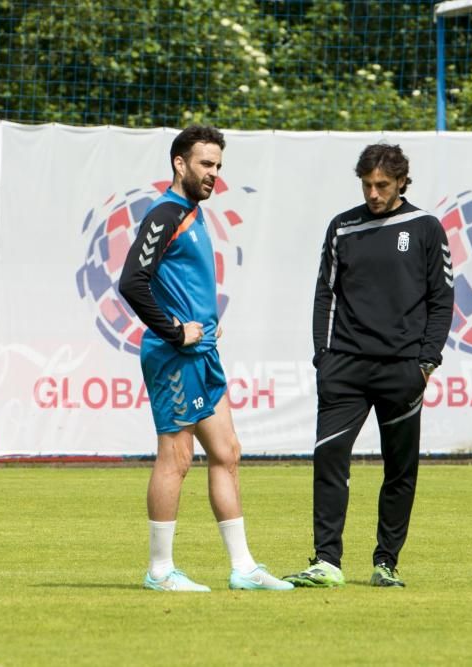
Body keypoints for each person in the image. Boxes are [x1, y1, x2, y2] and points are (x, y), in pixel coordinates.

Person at [118, 125, 292, 592]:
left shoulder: (192, 213)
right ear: (180, 163)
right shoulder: (166, 213)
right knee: (176, 458)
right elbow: (132, 281)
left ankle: (243, 568)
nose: (214, 174)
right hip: (176, 355)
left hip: (203, 354)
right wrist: (175, 329)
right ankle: (159, 572)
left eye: (218, 166)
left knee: (226, 452)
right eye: (205, 165)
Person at [284, 143, 454, 588]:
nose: (374, 193)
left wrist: (426, 362)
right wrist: (323, 358)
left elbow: (442, 300)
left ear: (401, 182)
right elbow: (325, 292)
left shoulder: (425, 228)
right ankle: (326, 561)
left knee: (400, 470)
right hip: (345, 368)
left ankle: (386, 562)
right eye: (367, 185)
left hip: (402, 371)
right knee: (329, 459)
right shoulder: (342, 227)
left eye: (382, 185)